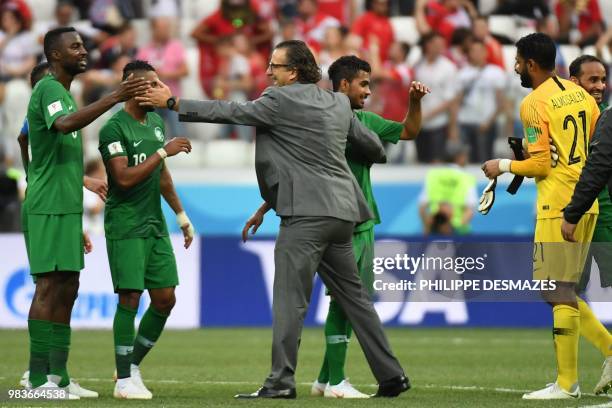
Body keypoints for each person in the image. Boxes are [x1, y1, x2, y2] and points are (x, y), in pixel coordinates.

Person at [138, 39, 409, 399]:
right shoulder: (337, 103)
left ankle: (281, 383)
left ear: (293, 71)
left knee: (289, 301)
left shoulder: (278, 100)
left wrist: (172, 103)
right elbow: (375, 148)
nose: (268, 72)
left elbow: (229, 111)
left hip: (306, 215)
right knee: (356, 299)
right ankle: (391, 376)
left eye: (274, 66)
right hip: (345, 213)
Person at [22, 26, 147, 396]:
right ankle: (36, 379)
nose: (83, 50)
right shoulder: (48, 89)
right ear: (55, 55)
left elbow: (37, 142)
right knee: (48, 287)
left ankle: (58, 376)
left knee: (68, 287)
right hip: (47, 206)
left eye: (82, 44)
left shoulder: (65, 94)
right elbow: (60, 127)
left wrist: (83, 181)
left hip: (65, 206)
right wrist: (113, 98)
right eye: (74, 46)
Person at [482, 33, 601, 400]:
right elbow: (596, 139)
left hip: (558, 206)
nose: (515, 67)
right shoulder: (579, 93)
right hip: (587, 200)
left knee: (554, 289)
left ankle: (567, 384)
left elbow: (538, 165)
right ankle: (605, 354)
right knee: (565, 289)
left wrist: (500, 165)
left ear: (531, 64)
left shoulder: (534, 103)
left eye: (518, 61)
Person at [303, 55, 427, 398]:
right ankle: (337, 382)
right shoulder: (318, 121)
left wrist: (413, 103)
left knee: (345, 301)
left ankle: (325, 379)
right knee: (345, 301)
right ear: (343, 85)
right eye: (363, 84)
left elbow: (409, 131)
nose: (368, 91)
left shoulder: (366, 120)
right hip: (341, 221)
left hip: (362, 220)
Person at [98, 60, 194, 399]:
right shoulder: (113, 129)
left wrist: (181, 215)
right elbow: (122, 180)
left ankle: (131, 365)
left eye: (158, 83)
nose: (157, 89)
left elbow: (161, 175)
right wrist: (161, 151)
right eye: (151, 84)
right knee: (130, 297)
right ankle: (124, 382)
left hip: (154, 223)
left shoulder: (155, 121)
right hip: (126, 223)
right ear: (133, 87)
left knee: (166, 298)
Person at [561, 55, 612, 396]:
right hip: (571, 207)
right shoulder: (561, 112)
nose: (599, 86)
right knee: (556, 289)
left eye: (602, 79)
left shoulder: (604, 117)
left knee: (558, 288)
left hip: (598, 207)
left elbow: (597, 168)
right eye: (592, 79)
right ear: (573, 81)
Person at [454, 40, 506, 163]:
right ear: (469, 53)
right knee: (465, 159)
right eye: (473, 51)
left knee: (485, 160)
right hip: (465, 122)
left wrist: (489, 122)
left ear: (486, 53)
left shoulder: (496, 72)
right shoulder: (462, 74)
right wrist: (454, 125)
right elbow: (457, 101)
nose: (476, 54)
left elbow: (501, 102)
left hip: (486, 123)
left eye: (479, 50)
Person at [419, 141, 476, 234]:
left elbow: (422, 208)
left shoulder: (433, 175)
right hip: (458, 232)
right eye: (465, 155)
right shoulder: (466, 177)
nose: (467, 158)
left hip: (435, 229)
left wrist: (427, 229)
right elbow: (470, 209)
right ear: (458, 157)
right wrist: (458, 229)